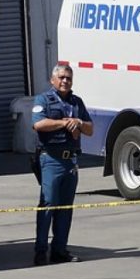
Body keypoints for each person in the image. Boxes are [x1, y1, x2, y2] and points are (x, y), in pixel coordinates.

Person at [32, 63, 92, 265]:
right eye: (62, 77)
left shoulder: (77, 102)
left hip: (71, 161)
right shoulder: (43, 100)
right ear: (53, 80)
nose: (65, 81)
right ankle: (41, 251)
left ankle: (59, 250)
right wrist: (65, 123)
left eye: (69, 78)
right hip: (51, 159)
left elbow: (90, 129)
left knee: (65, 208)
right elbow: (38, 124)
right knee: (48, 205)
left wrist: (80, 123)